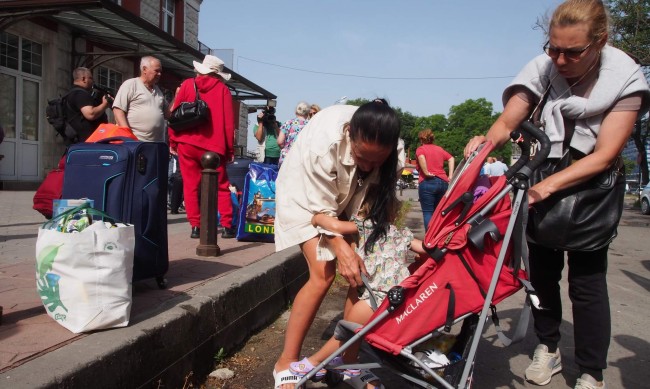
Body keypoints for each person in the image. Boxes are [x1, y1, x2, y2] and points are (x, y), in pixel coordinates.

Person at [463, 1, 650, 388]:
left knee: (587, 283)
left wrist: (543, 189)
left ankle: (590, 371)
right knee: (543, 276)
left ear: (600, 41)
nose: (560, 60)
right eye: (553, 48)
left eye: (573, 52)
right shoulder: (542, 67)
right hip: (543, 174)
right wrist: (485, 142)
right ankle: (547, 348)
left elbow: (606, 154)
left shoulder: (626, 78)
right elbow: (506, 122)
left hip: (590, 189)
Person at [272, 99, 404, 389]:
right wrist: (341, 247)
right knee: (323, 275)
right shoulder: (325, 142)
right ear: (349, 134)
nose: (368, 166)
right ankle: (286, 361)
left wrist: (358, 245)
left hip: (350, 204)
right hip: (306, 199)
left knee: (364, 275)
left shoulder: (396, 153)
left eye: (376, 161)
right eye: (362, 156)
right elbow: (320, 213)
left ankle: (347, 360)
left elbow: (372, 208)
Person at [287, 185, 426, 388]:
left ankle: (313, 363)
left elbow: (334, 226)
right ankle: (345, 364)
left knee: (345, 333)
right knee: (353, 335)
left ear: (365, 209)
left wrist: (316, 218)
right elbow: (425, 249)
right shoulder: (402, 233)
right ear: (394, 211)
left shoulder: (365, 225)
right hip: (398, 298)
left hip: (374, 297)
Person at [168, 54, 236, 239]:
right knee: (221, 185)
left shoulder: (188, 85)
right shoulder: (223, 90)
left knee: (190, 185)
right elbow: (229, 123)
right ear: (218, 74)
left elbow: (175, 115)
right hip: (213, 145)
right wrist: (229, 149)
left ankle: (196, 226)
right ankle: (227, 226)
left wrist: (173, 141)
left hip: (187, 142)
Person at [112, 56, 172, 142]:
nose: (159, 74)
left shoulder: (158, 91)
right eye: (157, 71)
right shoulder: (131, 84)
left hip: (156, 145)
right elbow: (118, 110)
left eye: (160, 71)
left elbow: (168, 114)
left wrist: (177, 95)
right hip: (135, 143)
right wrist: (127, 136)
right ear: (144, 69)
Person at [415, 129, 454, 229]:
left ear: (421, 139)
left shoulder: (421, 149)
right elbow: (451, 158)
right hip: (443, 182)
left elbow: (421, 158)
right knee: (439, 212)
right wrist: (450, 175)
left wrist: (426, 172)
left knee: (428, 212)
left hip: (428, 182)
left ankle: (429, 241)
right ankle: (438, 238)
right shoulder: (439, 149)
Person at [65, 67, 111, 142]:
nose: (93, 81)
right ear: (84, 79)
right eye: (91, 78)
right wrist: (105, 104)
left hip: (81, 142)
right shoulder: (80, 93)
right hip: (86, 143)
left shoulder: (72, 93)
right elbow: (91, 114)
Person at [277, 101, 310, 167]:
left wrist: (285, 148)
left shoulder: (288, 123)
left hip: (287, 159)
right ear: (308, 113)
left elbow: (280, 142)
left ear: (296, 112)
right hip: (303, 161)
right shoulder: (310, 125)